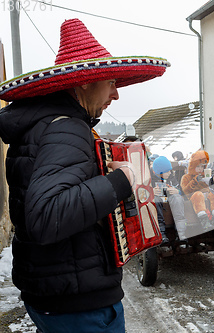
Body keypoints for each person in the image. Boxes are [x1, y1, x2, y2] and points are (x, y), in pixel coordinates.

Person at [0, 18, 169, 332]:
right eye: (111, 82)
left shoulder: (45, 124)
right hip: (80, 306)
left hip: (57, 294)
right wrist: (122, 181)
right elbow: (46, 216)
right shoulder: (67, 127)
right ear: (85, 82)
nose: (115, 94)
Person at [181, 150, 214, 231]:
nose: (200, 169)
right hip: (194, 197)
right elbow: (186, 190)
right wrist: (194, 181)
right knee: (198, 194)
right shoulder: (186, 177)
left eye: (202, 167)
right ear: (192, 166)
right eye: (198, 166)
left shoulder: (205, 176)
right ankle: (204, 220)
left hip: (206, 196)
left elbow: (209, 188)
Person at [152, 156, 189, 241]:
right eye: (167, 171)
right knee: (155, 200)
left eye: (170, 171)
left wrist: (177, 191)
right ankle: (161, 234)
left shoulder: (171, 177)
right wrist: (151, 192)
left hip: (171, 202)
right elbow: (142, 194)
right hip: (160, 203)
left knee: (177, 198)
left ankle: (181, 233)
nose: (169, 173)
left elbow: (181, 190)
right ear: (159, 172)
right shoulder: (150, 179)